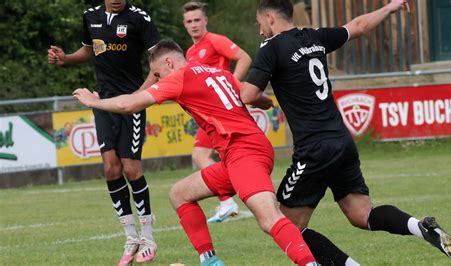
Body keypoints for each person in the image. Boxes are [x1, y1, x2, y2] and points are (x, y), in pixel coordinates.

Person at [240, 0, 451, 264]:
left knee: (285, 226)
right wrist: (389, 7)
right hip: (341, 141)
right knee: (361, 213)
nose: (260, 29)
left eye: (260, 23)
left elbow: (248, 94)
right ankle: (420, 227)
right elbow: (358, 26)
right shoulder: (315, 36)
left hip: (314, 149)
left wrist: (264, 101)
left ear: (269, 17)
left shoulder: (271, 47)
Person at [73, 39, 319, 266]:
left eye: (158, 74)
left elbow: (129, 104)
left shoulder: (180, 76)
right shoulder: (219, 72)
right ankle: (210, 261)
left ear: (169, 62)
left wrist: (94, 102)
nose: (158, 80)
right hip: (239, 154)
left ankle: (309, 263)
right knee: (180, 193)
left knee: (269, 218)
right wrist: (265, 102)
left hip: (244, 152)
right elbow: (252, 95)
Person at [47, 0, 160, 264]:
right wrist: (66, 58)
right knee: (111, 168)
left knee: (131, 167)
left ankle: (148, 236)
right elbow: (90, 50)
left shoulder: (139, 18)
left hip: (131, 103)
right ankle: (130, 236)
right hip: (103, 102)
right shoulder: (90, 17)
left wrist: (139, 95)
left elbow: (159, 60)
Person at [182, 1, 253, 223]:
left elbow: (244, 58)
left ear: (205, 20)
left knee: (200, 155)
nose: (194, 25)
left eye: (197, 20)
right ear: (184, 25)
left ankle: (227, 201)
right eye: (189, 21)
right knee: (230, 158)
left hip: (221, 111)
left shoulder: (214, 41)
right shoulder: (190, 52)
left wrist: (233, 85)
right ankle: (246, 197)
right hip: (209, 113)